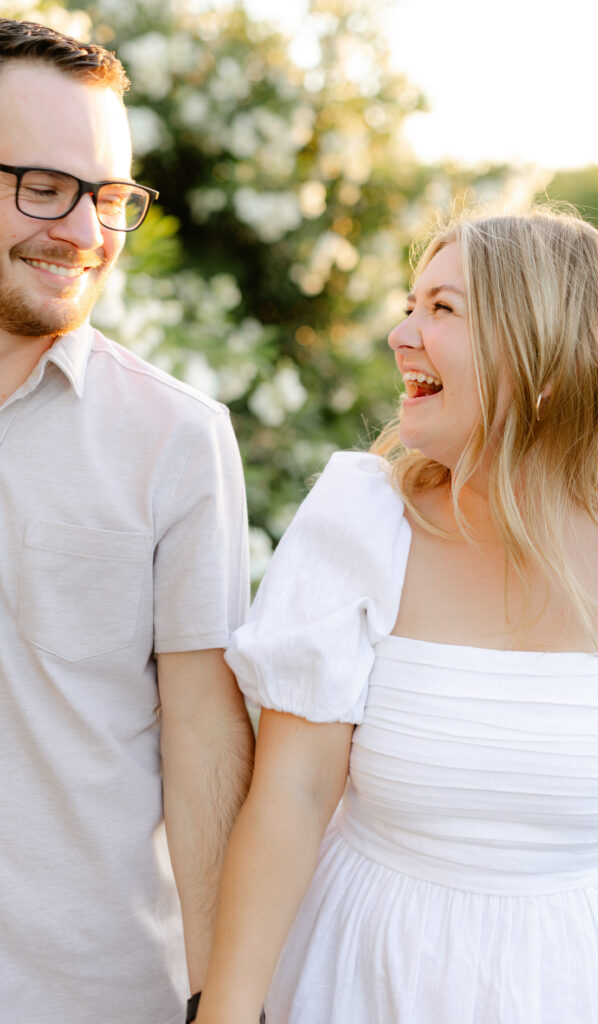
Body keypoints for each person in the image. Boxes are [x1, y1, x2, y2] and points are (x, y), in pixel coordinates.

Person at [196, 206, 598, 1023]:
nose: (400, 333)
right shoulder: (359, 521)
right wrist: (226, 1013)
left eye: (442, 309)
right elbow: (292, 790)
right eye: (410, 303)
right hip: (367, 974)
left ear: (546, 359)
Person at [0, 18, 253, 1024]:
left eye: (109, 197)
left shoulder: (178, 438)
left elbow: (202, 738)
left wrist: (218, 996)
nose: (85, 232)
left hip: (91, 993)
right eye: (46, 187)